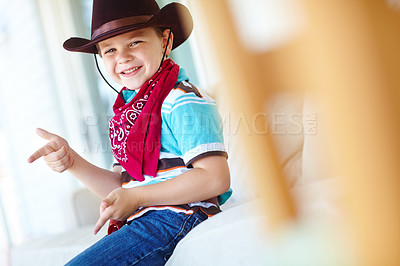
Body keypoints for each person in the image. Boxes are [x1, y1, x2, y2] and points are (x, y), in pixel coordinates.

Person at [27, 0, 231, 265]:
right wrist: (72, 161)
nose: (122, 57)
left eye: (135, 42)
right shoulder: (128, 114)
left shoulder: (182, 99)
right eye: (110, 49)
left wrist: (136, 197)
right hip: (146, 218)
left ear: (165, 41)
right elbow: (121, 187)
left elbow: (215, 179)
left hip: (179, 215)